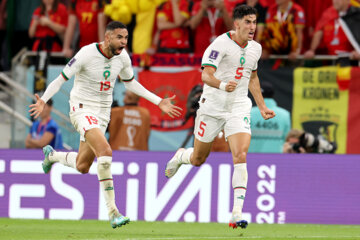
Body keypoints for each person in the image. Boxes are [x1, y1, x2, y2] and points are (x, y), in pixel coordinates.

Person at [29, 21, 182, 229]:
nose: (124, 42)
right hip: (82, 109)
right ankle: (113, 212)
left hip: (102, 115)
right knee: (105, 151)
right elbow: (61, 78)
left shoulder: (123, 58)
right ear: (107, 37)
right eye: (120, 37)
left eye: (126, 38)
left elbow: (130, 83)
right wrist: (43, 99)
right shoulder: (86, 53)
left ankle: (52, 156)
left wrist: (158, 101)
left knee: (83, 166)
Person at [164, 5, 275, 229]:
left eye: (254, 22)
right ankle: (181, 155)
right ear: (236, 24)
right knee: (198, 159)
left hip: (238, 106)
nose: (252, 27)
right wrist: (224, 85)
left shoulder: (256, 48)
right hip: (212, 107)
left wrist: (261, 106)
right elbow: (206, 75)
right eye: (247, 22)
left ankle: (236, 213)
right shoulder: (220, 44)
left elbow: (252, 78)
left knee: (241, 154)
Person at [249, 81, 290, 153]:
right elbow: (286, 138)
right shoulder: (285, 114)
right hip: (277, 158)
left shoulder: (249, 112)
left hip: (252, 158)